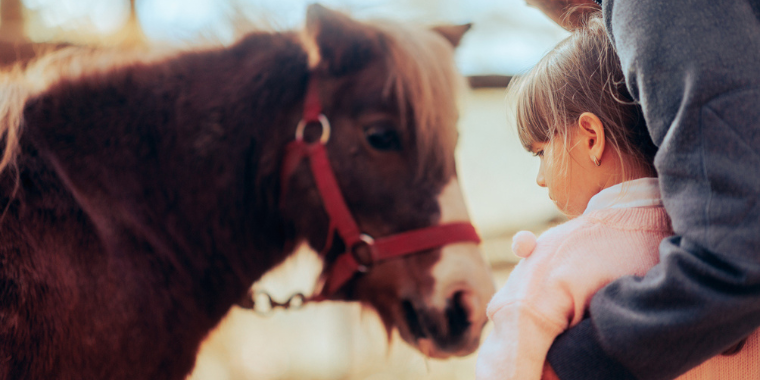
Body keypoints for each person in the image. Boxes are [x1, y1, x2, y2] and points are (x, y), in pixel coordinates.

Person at [475, 13, 759, 380]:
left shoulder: (555, 262)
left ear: (591, 137)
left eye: (542, 153)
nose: (541, 180)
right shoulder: (721, 251)